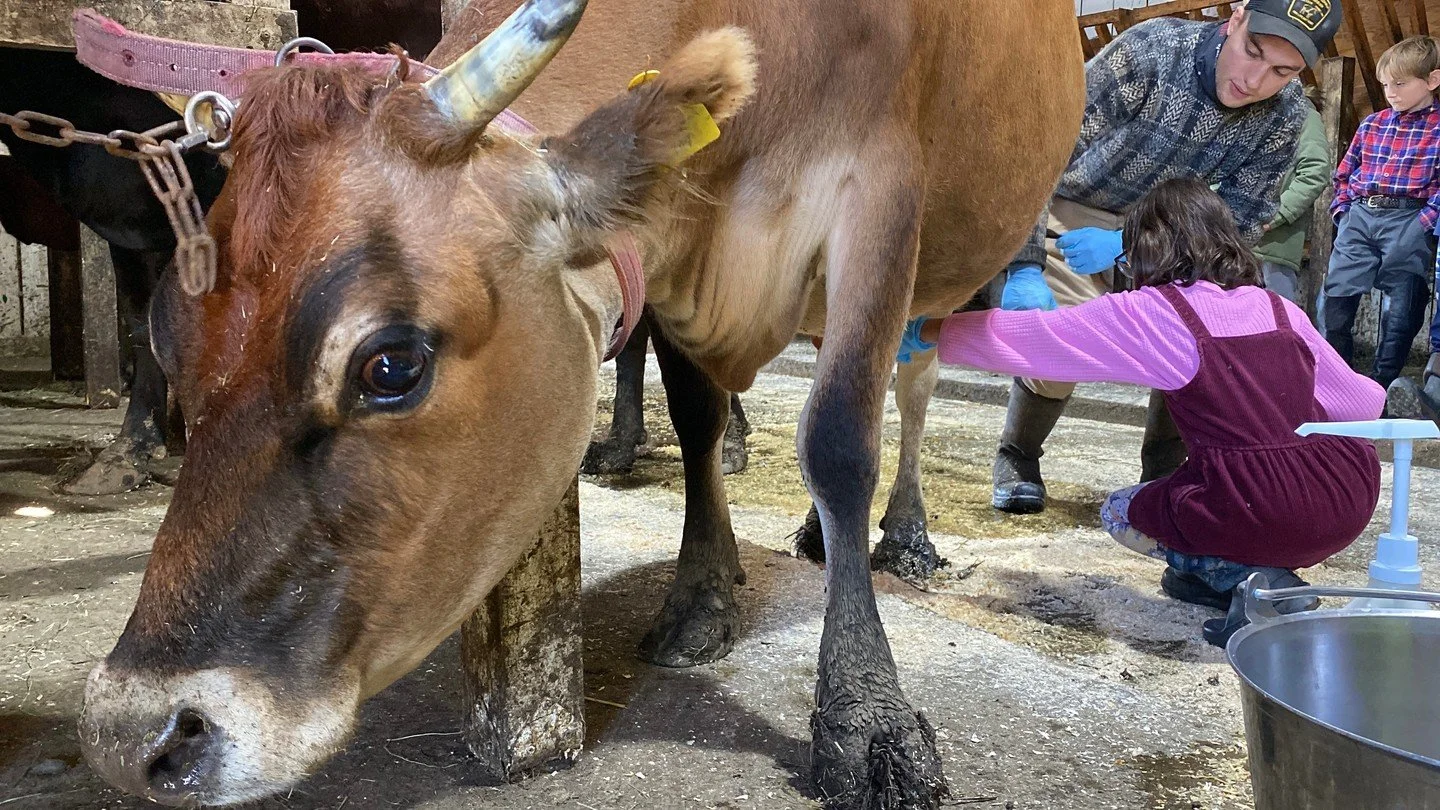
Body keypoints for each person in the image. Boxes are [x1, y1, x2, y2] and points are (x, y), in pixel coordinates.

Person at [899, 178, 1383, 646]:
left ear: (1145, 249)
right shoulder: (1280, 308)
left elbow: (1039, 341)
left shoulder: (1155, 311)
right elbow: (1363, 403)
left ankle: (1253, 579)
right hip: (1347, 496)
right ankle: (1240, 576)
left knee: (1120, 511)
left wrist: (935, 330)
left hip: (1257, 507)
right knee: (1229, 497)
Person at [988, 0, 1343, 524]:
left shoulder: (1285, 115)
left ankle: (1166, 474)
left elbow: (1240, 220)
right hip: (1073, 204)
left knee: (1197, 341)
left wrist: (1134, 246)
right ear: (1238, 15)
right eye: (1252, 53)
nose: (1255, 80)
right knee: (1061, 340)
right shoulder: (1153, 51)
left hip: (1176, 231)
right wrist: (1024, 262)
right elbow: (1042, 148)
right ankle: (1018, 455)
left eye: (1282, 71)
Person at [1323, 35, 1440, 391]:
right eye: (1386, 84)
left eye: (1400, 84)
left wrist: (1424, 223)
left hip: (1410, 216)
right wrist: (1343, 212)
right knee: (1336, 299)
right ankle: (1338, 383)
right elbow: (1344, 172)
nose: (1391, 91)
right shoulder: (1372, 123)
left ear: (1432, 80)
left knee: (1401, 309)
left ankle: (1382, 384)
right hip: (1361, 214)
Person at [1253, 91, 1331, 303]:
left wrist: (1275, 215)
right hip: (1228, 241)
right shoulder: (1244, 107)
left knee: (1277, 322)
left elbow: (1316, 170)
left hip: (1273, 246)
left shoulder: (1302, 113)